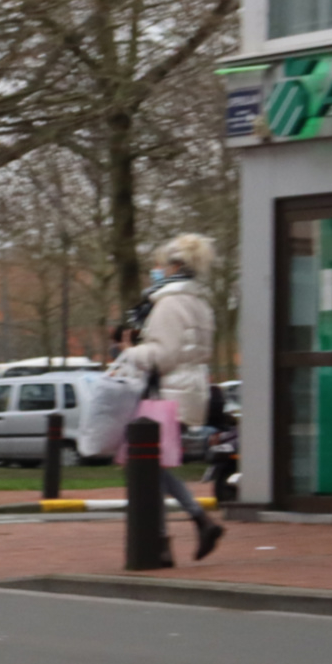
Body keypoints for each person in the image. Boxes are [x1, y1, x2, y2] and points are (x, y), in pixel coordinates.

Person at [125, 233, 223, 560]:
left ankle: (185, 528)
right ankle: (178, 533)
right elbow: (201, 350)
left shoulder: (168, 303)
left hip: (167, 393)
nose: (158, 270)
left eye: (163, 264)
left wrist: (131, 353)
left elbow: (163, 355)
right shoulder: (201, 303)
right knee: (154, 467)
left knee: (147, 467)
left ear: (177, 265)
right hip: (191, 391)